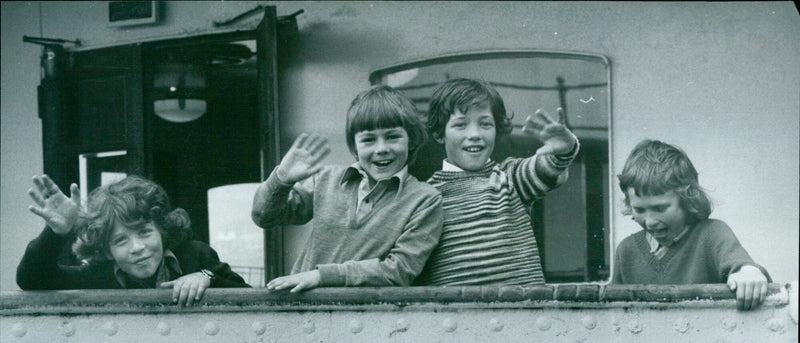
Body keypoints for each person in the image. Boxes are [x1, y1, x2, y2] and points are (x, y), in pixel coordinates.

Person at [252, 85, 443, 292]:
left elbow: (399, 270)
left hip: (370, 319)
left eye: (392, 137)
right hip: (302, 314)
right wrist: (281, 180)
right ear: (354, 147)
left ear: (411, 140)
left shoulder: (425, 199)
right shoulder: (325, 179)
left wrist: (321, 276)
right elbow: (265, 217)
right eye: (368, 139)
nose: (381, 149)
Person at [417, 78, 579, 286]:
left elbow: (546, 168)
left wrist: (565, 148)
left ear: (496, 130)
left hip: (525, 312)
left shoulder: (510, 177)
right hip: (459, 315)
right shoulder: (425, 197)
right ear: (440, 134)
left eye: (485, 124)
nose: (474, 135)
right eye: (460, 125)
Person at [17, 174, 250, 306]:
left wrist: (206, 277)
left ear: (161, 229)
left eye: (144, 232)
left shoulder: (196, 255)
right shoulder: (98, 275)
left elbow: (247, 295)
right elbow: (32, 279)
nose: (137, 248)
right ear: (107, 251)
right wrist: (57, 234)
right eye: (120, 241)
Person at [613, 139, 771, 310]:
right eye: (639, 209)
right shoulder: (626, 250)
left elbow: (741, 265)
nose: (650, 221)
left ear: (686, 200)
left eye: (660, 208)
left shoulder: (712, 234)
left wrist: (748, 273)